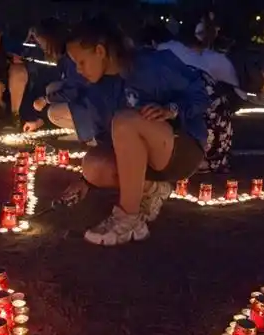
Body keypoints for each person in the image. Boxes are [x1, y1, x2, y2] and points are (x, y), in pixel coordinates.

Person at [60, 17, 210, 246]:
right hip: (144, 160)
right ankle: (153, 190)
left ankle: (128, 219)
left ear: (100, 51)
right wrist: (86, 180)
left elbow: (200, 94)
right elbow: (105, 140)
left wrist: (172, 109)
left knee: (125, 121)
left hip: (180, 148)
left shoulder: (150, 65)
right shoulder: (95, 90)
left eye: (81, 61)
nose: (79, 70)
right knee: (93, 166)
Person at [158, 19, 241, 173]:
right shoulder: (216, 60)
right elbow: (236, 92)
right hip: (199, 138)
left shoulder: (164, 49)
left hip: (168, 133)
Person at [21, 18, 94, 143]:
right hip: (83, 96)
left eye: (42, 42)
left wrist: (46, 99)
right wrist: (39, 120)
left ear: (51, 39)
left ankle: (90, 134)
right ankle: (83, 129)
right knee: (52, 88)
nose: (42, 46)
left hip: (91, 102)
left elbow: (74, 90)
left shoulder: (72, 58)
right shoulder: (64, 58)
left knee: (53, 113)